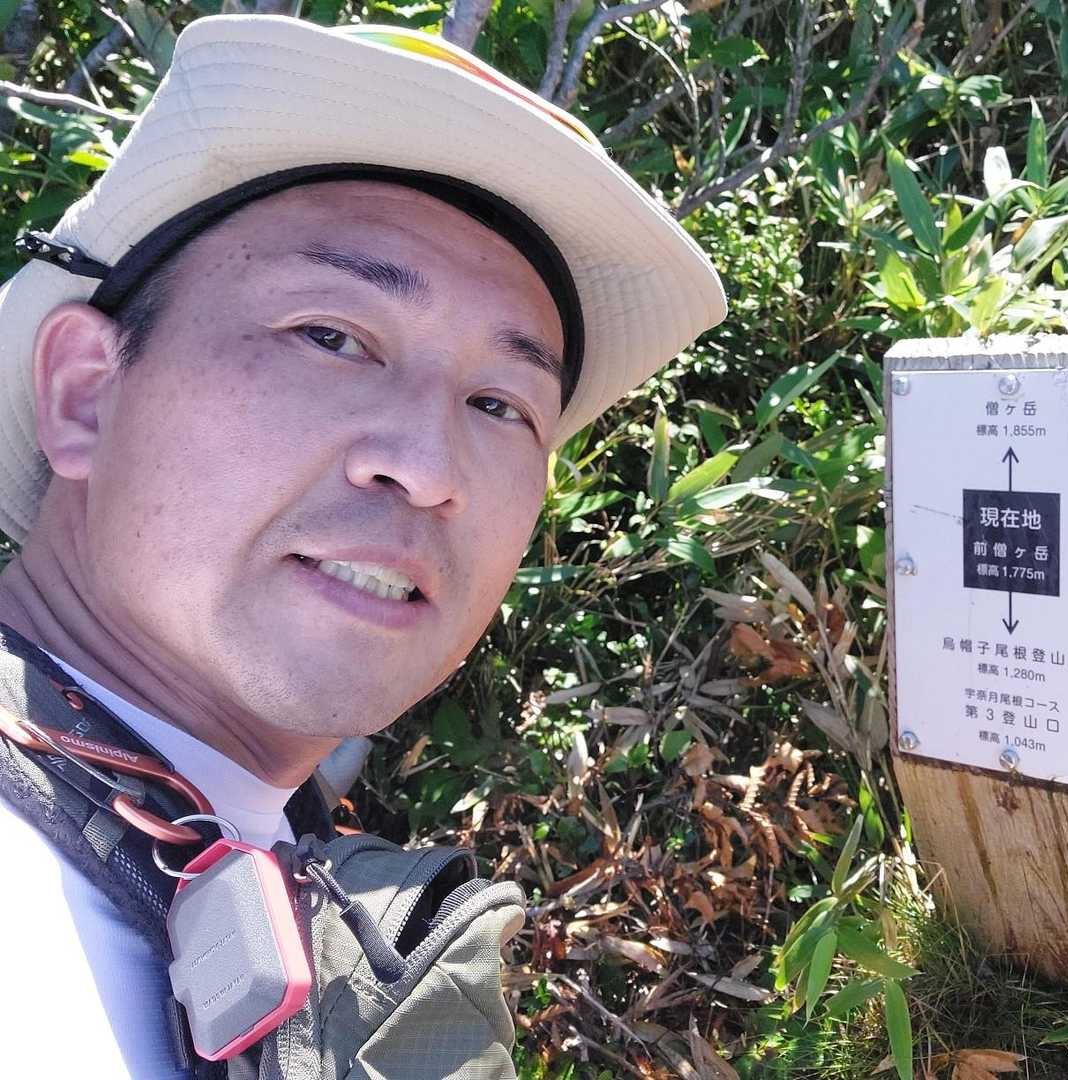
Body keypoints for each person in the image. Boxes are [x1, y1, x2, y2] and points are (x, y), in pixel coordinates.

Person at [0, 14, 725, 1077]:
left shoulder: (253, 849)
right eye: (332, 337)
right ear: (85, 393)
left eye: (499, 403)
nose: (426, 466)